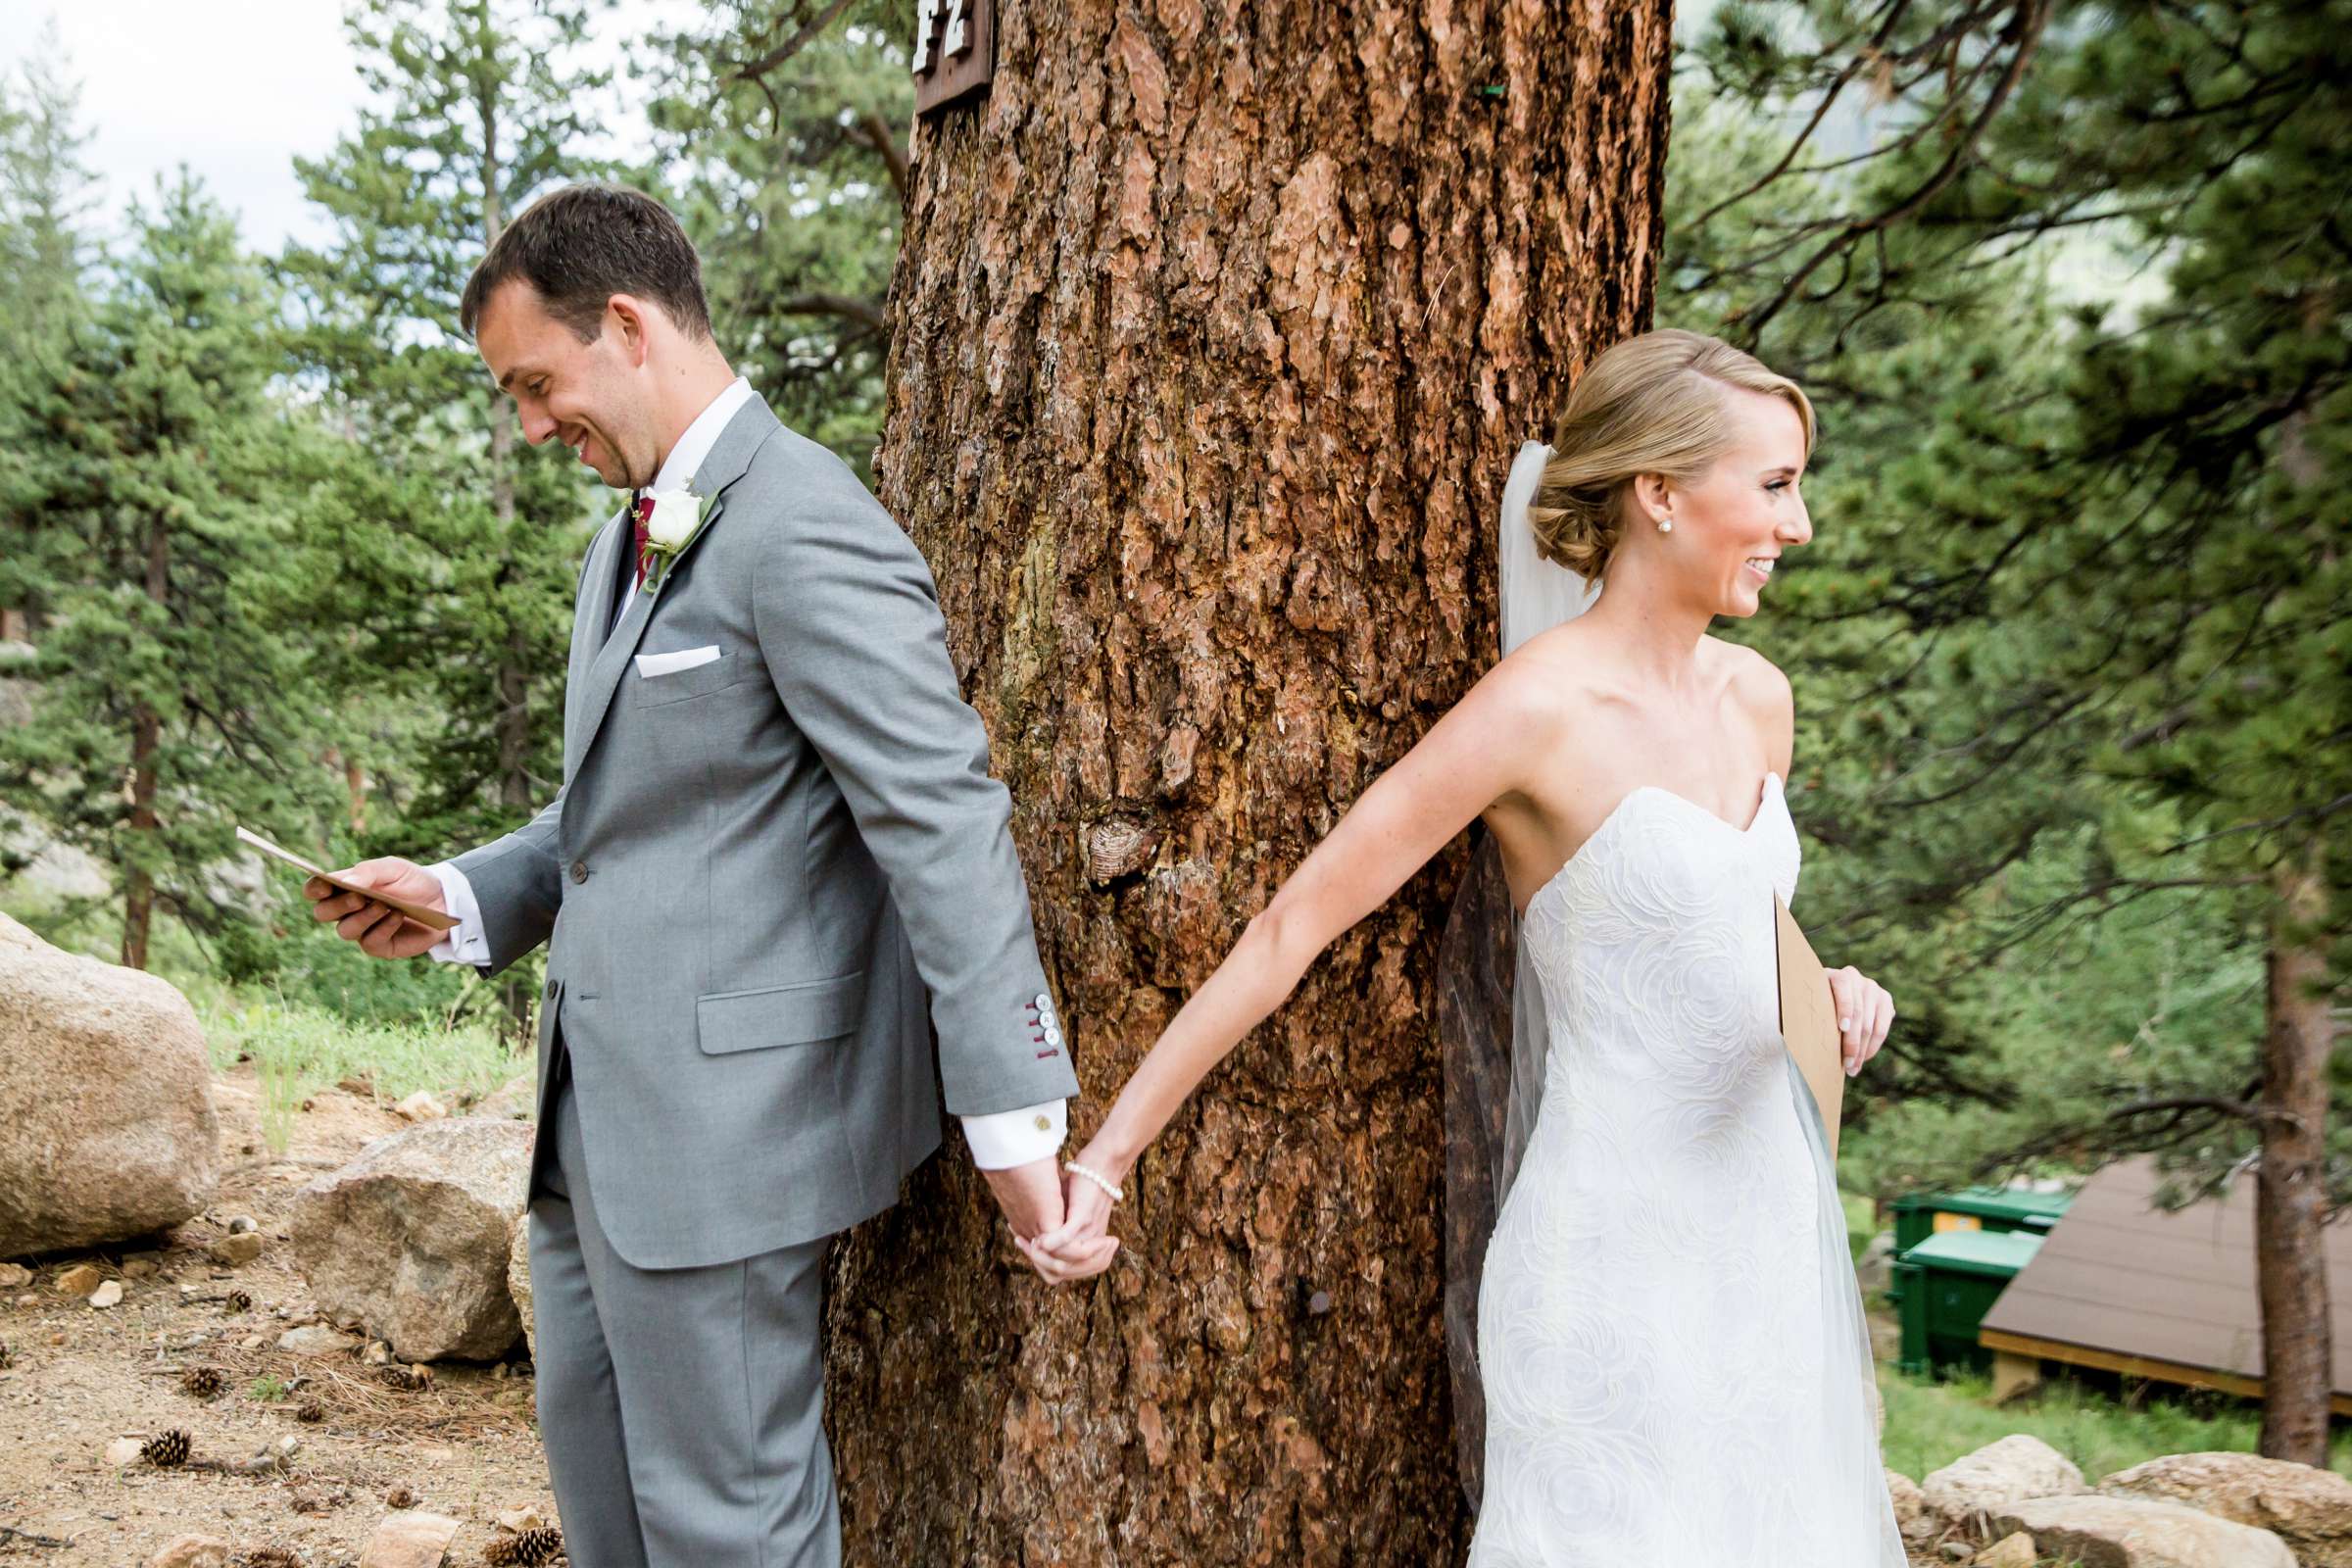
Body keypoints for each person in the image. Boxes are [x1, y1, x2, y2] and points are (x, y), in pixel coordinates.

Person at [301, 182, 1106, 1567]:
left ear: (625, 324)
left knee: (732, 1537)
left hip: (731, 1148)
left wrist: (1017, 1122)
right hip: (591, 1143)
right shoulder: (630, 537)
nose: (531, 425)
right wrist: (461, 895)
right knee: (610, 1515)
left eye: (536, 383)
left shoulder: (806, 524)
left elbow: (941, 819)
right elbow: (630, 818)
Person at [1024, 329, 1907, 1562]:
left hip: (1764, 1246)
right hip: (1607, 1264)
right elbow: (1292, 927)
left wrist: (1835, 989)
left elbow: (1735, 929)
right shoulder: (1534, 713)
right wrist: (1105, 1160)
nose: (1798, 524)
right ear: (1658, 493)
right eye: (1772, 485)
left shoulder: (1761, 700)